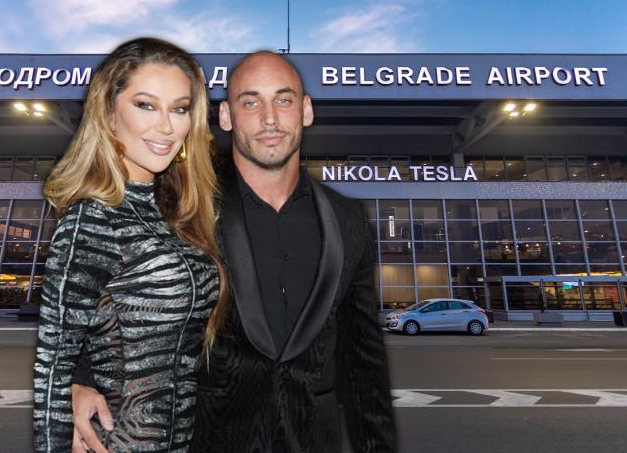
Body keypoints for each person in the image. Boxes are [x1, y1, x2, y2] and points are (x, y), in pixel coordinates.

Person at [72, 51, 398, 452]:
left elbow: (363, 360)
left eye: (283, 100)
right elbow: (109, 297)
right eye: (251, 102)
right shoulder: (177, 206)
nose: (269, 118)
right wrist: (81, 378)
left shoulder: (348, 218)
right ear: (226, 116)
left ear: (306, 110)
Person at [32, 37, 228, 452]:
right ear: (108, 113)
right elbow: (53, 367)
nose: (167, 126)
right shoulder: (93, 219)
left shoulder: (174, 216)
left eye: (179, 109)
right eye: (146, 105)